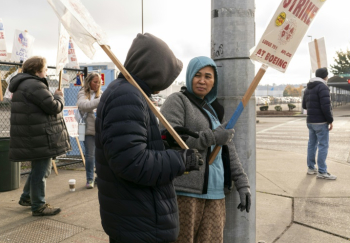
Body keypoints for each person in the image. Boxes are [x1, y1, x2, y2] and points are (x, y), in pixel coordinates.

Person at [95, 33, 203, 243]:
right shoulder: (127, 95)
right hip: (139, 221)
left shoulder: (128, 92)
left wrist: (163, 141)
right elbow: (132, 162)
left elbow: (130, 146)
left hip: (135, 217)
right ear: (155, 70)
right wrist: (180, 159)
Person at [160, 56, 251, 243]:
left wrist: (243, 184)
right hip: (185, 192)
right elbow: (170, 139)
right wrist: (212, 137)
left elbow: (228, 151)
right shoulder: (177, 100)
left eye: (208, 77)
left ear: (214, 82)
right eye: (198, 75)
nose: (203, 81)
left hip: (216, 194)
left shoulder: (213, 110)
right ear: (190, 76)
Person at [9, 56, 71, 216]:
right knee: (41, 171)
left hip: (33, 135)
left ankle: (27, 197)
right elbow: (53, 107)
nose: (46, 72)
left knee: (38, 169)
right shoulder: (34, 85)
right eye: (44, 69)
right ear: (37, 70)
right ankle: (39, 206)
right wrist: (59, 96)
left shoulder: (23, 84)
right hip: (40, 136)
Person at [302, 67, 336, 180]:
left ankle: (311, 168)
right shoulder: (323, 87)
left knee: (312, 144)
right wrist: (330, 120)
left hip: (310, 121)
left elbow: (304, 106)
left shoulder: (308, 88)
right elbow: (326, 106)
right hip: (321, 122)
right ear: (324, 76)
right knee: (323, 146)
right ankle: (322, 171)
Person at [76, 72, 102, 189]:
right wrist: (101, 101)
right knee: (90, 156)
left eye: (99, 82)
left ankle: (100, 177)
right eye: (94, 82)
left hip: (100, 130)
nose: (97, 84)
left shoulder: (101, 94)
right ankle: (90, 179)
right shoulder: (83, 93)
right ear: (89, 82)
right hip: (87, 130)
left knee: (101, 156)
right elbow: (84, 105)